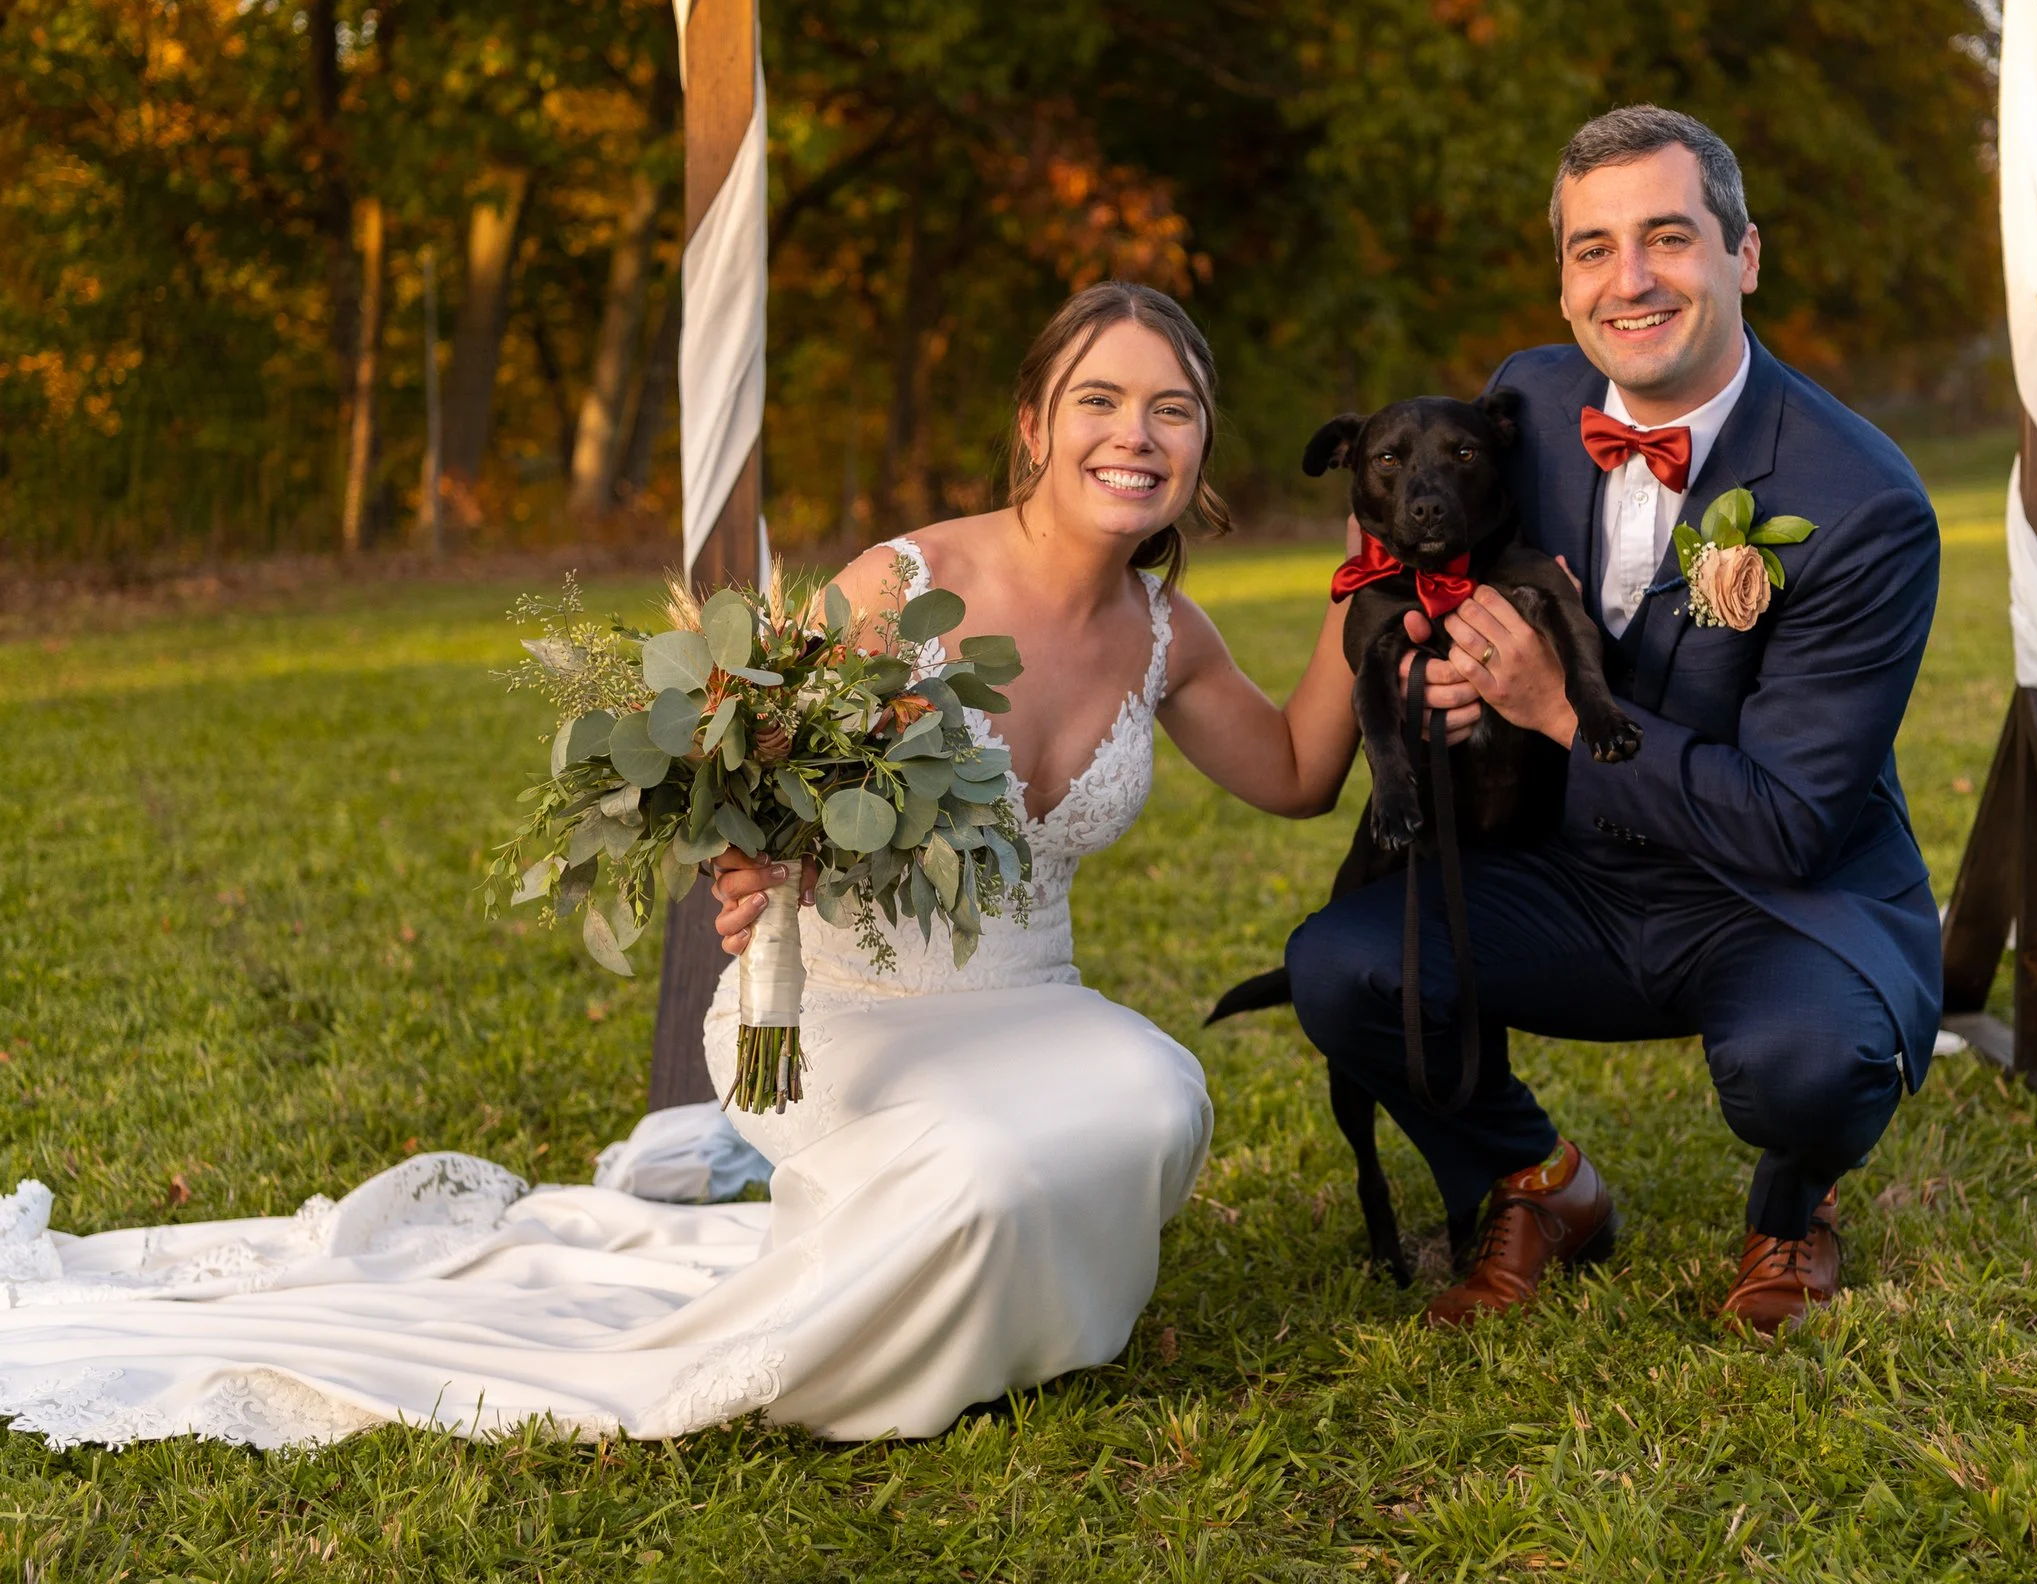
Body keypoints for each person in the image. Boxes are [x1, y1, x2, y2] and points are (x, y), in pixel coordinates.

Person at [0, 282, 1376, 1449]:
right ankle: (860, 1364)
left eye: (1171, 409)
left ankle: (1003, 1324)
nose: (1134, 434)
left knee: (1159, 1093)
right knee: (979, 1166)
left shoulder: (1167, 632)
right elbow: (752, 766)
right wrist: (761, 862)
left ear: (1201, 442)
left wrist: (1370, 571)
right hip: (842, 1011)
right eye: (1099, 399)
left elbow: (1298, 772)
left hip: (1033, 1003)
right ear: (1033, 425)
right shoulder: (900, 589)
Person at [1285, 106, 1945, 1336]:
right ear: (1562, 279)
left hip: (1766, 891)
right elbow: (1424, 562)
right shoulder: (1524, 401)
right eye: (1592, 248)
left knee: (1809, 1056)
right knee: (1341, 964)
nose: (1628, 279)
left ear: (1744, 254)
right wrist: (1439, 669)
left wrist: (1549, 705)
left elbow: (1792, 822)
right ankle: (1541, 1183)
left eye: (1667, 237)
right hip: (1560, 872)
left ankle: (1791, 1209)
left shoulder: (1862, 502)